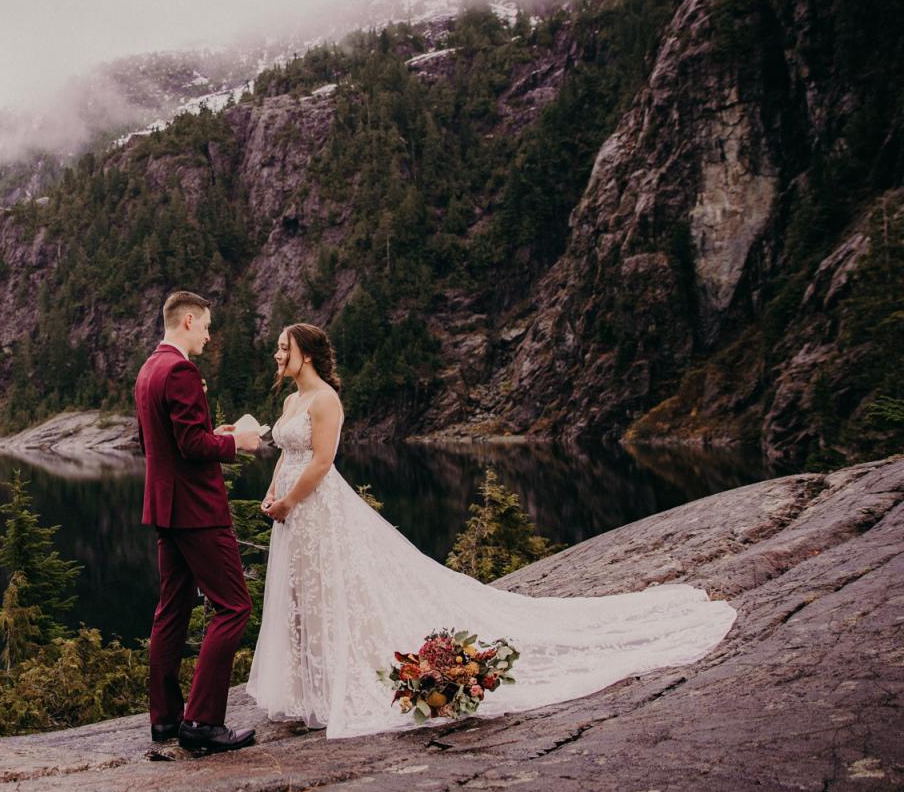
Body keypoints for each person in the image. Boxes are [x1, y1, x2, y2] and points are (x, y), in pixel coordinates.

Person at [246, 323, 737, 738]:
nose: (276, 354)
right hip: (290, 512)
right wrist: (272, 493)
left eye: (283, 347)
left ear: (304, 353)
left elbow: (324, 461)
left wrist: (289, 500)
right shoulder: (294, 400)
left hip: (313, 508)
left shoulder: (326, 399)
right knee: (298, 598)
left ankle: (334, 687)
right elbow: (288, 457)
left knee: (325, 594)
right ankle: (308, 689)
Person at [135, 290, 263, 753]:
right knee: (234, 607)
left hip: (166, 508)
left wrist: (215, 434)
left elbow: (165, 441)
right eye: (207, 326)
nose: (210, 335)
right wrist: (237, 444)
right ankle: (203, 722)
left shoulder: (150, 369)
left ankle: (165, 721)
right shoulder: (182, 370)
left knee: (171, 611)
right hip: (197, 511)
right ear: (188, 321)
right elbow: (191, 448)